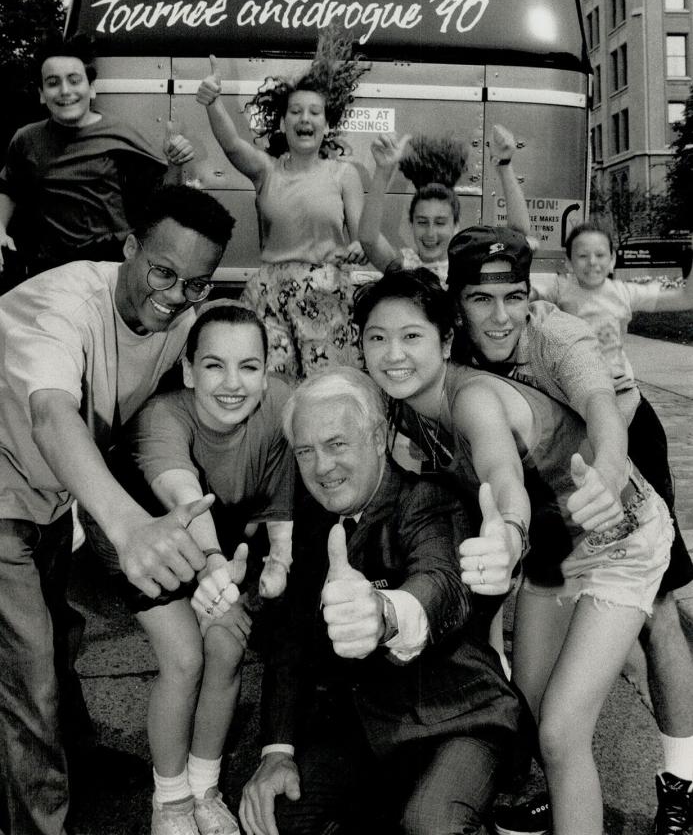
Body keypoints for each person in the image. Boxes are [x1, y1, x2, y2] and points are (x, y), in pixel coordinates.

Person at [353, 266, 673, 835]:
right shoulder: (402, 405)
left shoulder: (472, 397)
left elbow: (504, 480)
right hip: (555, 548)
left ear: (445, 341)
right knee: (520, 710)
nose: (392, 353)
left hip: (619, 538)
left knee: (560, 731)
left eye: (411, 336)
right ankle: (554, 800)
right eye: (377, 337)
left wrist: (507, 532)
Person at [0, 183, 234, 835]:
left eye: (195, 282)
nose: (176, 293)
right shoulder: (63, 302)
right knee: (27, 683)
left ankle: (62, 766)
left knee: (53, 651)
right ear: (129, 248)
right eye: (163, 270)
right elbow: (50, 410)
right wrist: (125, 524)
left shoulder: (182, 320)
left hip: (46, 495)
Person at [444, 225, 689, 835]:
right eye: (481, 298)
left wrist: (606, 476)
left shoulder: (557, 334)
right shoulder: (451, 348)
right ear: (458, 303)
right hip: (549, 498)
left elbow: (604, 411)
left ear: (531, 295)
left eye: (515, 297)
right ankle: (558, 788)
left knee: (658, 622)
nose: (501, 317)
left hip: (624, 460)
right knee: (533, 702)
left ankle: (684, 781)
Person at [239, 368, 522, 835]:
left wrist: (386, 614)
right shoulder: (314, 518)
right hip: (361, 727)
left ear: (375, 438)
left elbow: (440, 583)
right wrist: (277, 753)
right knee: (275, 817)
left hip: (457, 719)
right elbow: (289, 645)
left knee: (432, 822)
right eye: (305, 451)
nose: (321, 467)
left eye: (336, 445)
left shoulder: (427, 501)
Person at [528, 220, 693, 833]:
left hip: (629, 438)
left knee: (663, 615)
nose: (593, 262)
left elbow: (679, 293)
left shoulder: (622, 294)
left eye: (603, 254)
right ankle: (568, 775)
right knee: (572, 618)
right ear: (567, 261)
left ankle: (682, 781)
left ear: (614, 259)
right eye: (582, 253)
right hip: (580, 451)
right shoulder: (545, 299)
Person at [126, 301, 295, 835]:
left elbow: (282, 508)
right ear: (188, 370)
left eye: (248, 367)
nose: (232, 383)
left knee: (226, 646)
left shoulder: (282, 406)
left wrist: (280, 562)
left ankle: (204, 788)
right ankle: (169, 801)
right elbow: (182, 493)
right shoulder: (162, 416)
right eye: (214, 365)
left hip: (222, 547)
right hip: (147, 540)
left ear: (266, 373)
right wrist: (214, 564)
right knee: (184, 657)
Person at [196, 26, 369, 382]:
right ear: (283, 120)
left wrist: (355, 248)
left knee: (329, 388)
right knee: (273, 388)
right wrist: (213, 103)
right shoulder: (265, 170)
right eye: (295, 111)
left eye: (314, 112)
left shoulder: (344, 174)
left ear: (327, 123)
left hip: (327, 294)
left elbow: (363, 238)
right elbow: (231, 144)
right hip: (268, 296)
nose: (305, 118)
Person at [0, 32, 195, 282]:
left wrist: (175, 163)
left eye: (74, 80)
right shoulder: (26, 139)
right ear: (41, 93)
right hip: (52, 268)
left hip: (110, 262)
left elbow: (163, 199)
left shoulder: (122, 135)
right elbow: (9, 187)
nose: (65, 91)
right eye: (52, 82)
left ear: (91, 88)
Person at [358, 124, 529, 285]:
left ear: (456, 226)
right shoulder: (404, 267)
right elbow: (369, 240)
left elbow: (518, 235)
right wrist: (383, 170)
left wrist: (504, 165)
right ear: (411, 224)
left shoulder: (471, 265)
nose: (430, 233)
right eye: (422, 222)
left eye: (440, 222)